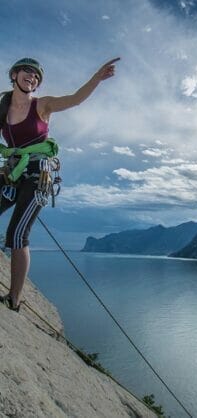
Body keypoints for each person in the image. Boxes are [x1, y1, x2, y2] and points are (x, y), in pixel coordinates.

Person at [0, 56, 120, 311]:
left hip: (37, 176)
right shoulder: (3, 106)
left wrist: (97, 78)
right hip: (13, 172)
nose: (32, 77)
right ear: (14, 75)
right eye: (27, 72)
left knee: (17, 234)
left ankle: (14, 299)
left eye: (36, 76)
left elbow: (74, 99)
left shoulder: (43, 105)